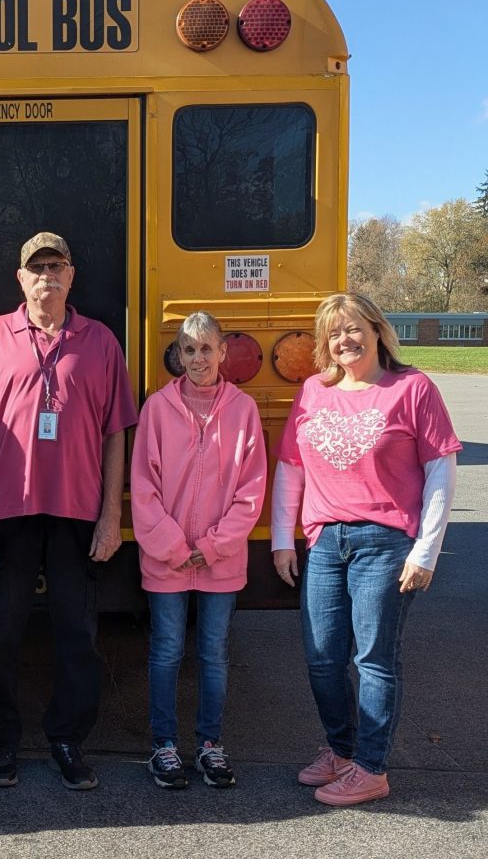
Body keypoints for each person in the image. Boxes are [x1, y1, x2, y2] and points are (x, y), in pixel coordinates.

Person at [0, 232, 138, 791]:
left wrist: (112, 515)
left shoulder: (101, 342)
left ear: (72, 274)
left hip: (78, 512)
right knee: (2, 632)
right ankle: (2, 743)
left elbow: (115, 434)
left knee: (77, 634)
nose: (46, 276)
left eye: (56, 265)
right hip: (8, 509)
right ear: (21, 278)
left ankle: (68, 739)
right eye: (36, 268)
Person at [272, 292, 461, 806]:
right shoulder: (313, 391)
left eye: (353, 328)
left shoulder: (412, 388)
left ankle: (372, 768)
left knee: (374, 658)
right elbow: (291, 468)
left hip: (386, 541)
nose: (344, 340)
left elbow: (440, 470)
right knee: (321, 657)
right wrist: (282, 540)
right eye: (333, 332)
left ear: (378, 330)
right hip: (325, 541)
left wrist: (425, 551)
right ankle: (342, 750)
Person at [130, 312, 266, 790]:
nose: (198, 359)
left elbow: (252, 490)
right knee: (165, 651)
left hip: (220, 559)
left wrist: (212, 546)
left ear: (223, 352)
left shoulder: (243, 409)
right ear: (179, 354)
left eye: (207, 348)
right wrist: (172, 545)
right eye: (189, 350)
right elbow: (142, 486)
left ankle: (211, 745)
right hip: (167, 558)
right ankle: (163, 747)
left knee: (214, 652)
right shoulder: (157, 409)